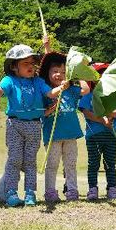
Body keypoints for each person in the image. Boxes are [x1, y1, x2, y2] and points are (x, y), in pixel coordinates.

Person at [0, 44, 66, 207]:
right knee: (14, 159)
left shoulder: (38, 81)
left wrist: (61, 87)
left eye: (32, 63)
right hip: (15, 125)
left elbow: (50, 93)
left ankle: (30, 193)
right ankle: (11, 193)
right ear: (13, 66)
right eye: (25, 63)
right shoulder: (10, 80)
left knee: (30, 161)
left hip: (34, 126)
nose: (31, 66)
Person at [39, 51, 90, 202]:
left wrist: (78, 75)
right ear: (48, 73)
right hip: (53, 135)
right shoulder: (46, 91)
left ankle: (72, 190)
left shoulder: (71, 90)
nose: (59, 75)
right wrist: (51, 109)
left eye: (63, 72)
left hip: (70, 134)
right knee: (52, 164)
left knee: (71, 164)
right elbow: (42, 114)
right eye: (55, 71)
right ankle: (50, 191)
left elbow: (86, 90)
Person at [78, 63, 116, 200]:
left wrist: (108, 115)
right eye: (99, 76)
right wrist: (102, 120)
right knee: (93, 163)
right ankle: (93, 188)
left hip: (111, 135)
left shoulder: (114, 96)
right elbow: (86, 113)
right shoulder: (89, 96)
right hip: (93, 136)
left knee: (110, 163)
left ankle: (112, 188)